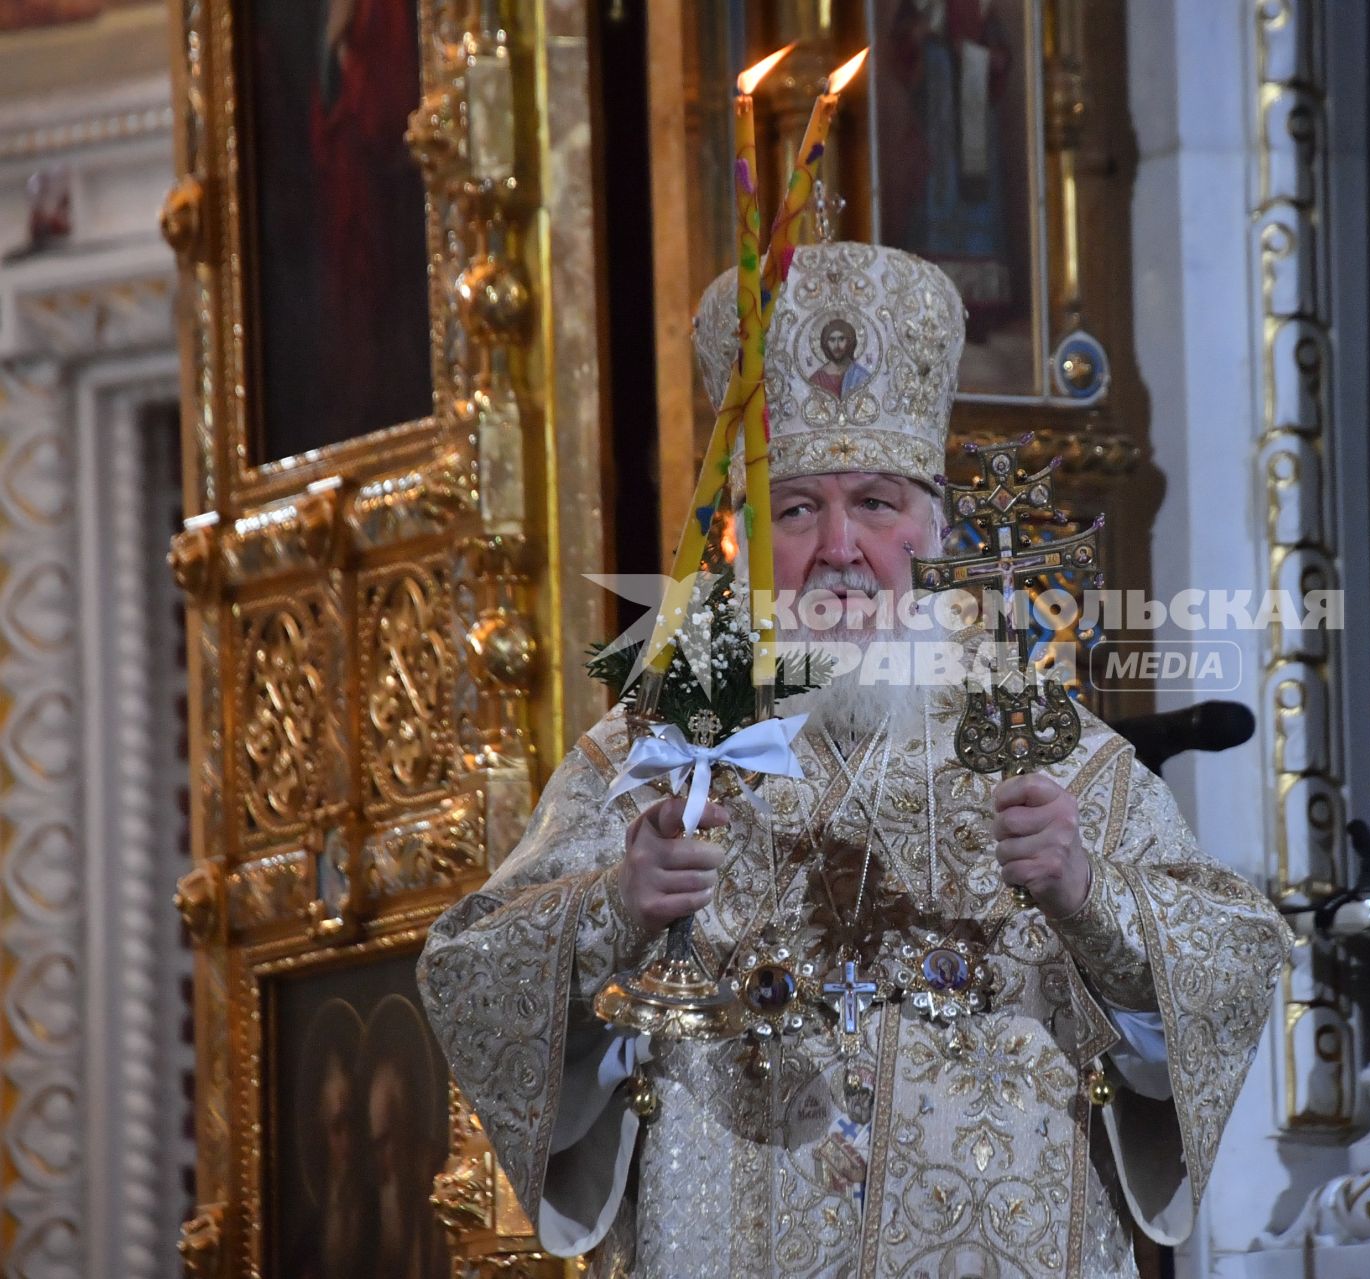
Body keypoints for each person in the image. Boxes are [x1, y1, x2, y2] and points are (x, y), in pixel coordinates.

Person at [419, 240, 1290, 1277]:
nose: (839, 545)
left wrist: (1088, 887)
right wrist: (616, 902)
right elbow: (469, 972)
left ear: (932, 527)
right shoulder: (659, 753)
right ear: (744, 536)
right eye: (797, 508)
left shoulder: (1042, 741)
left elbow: (1236, 958)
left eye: (875, 502)